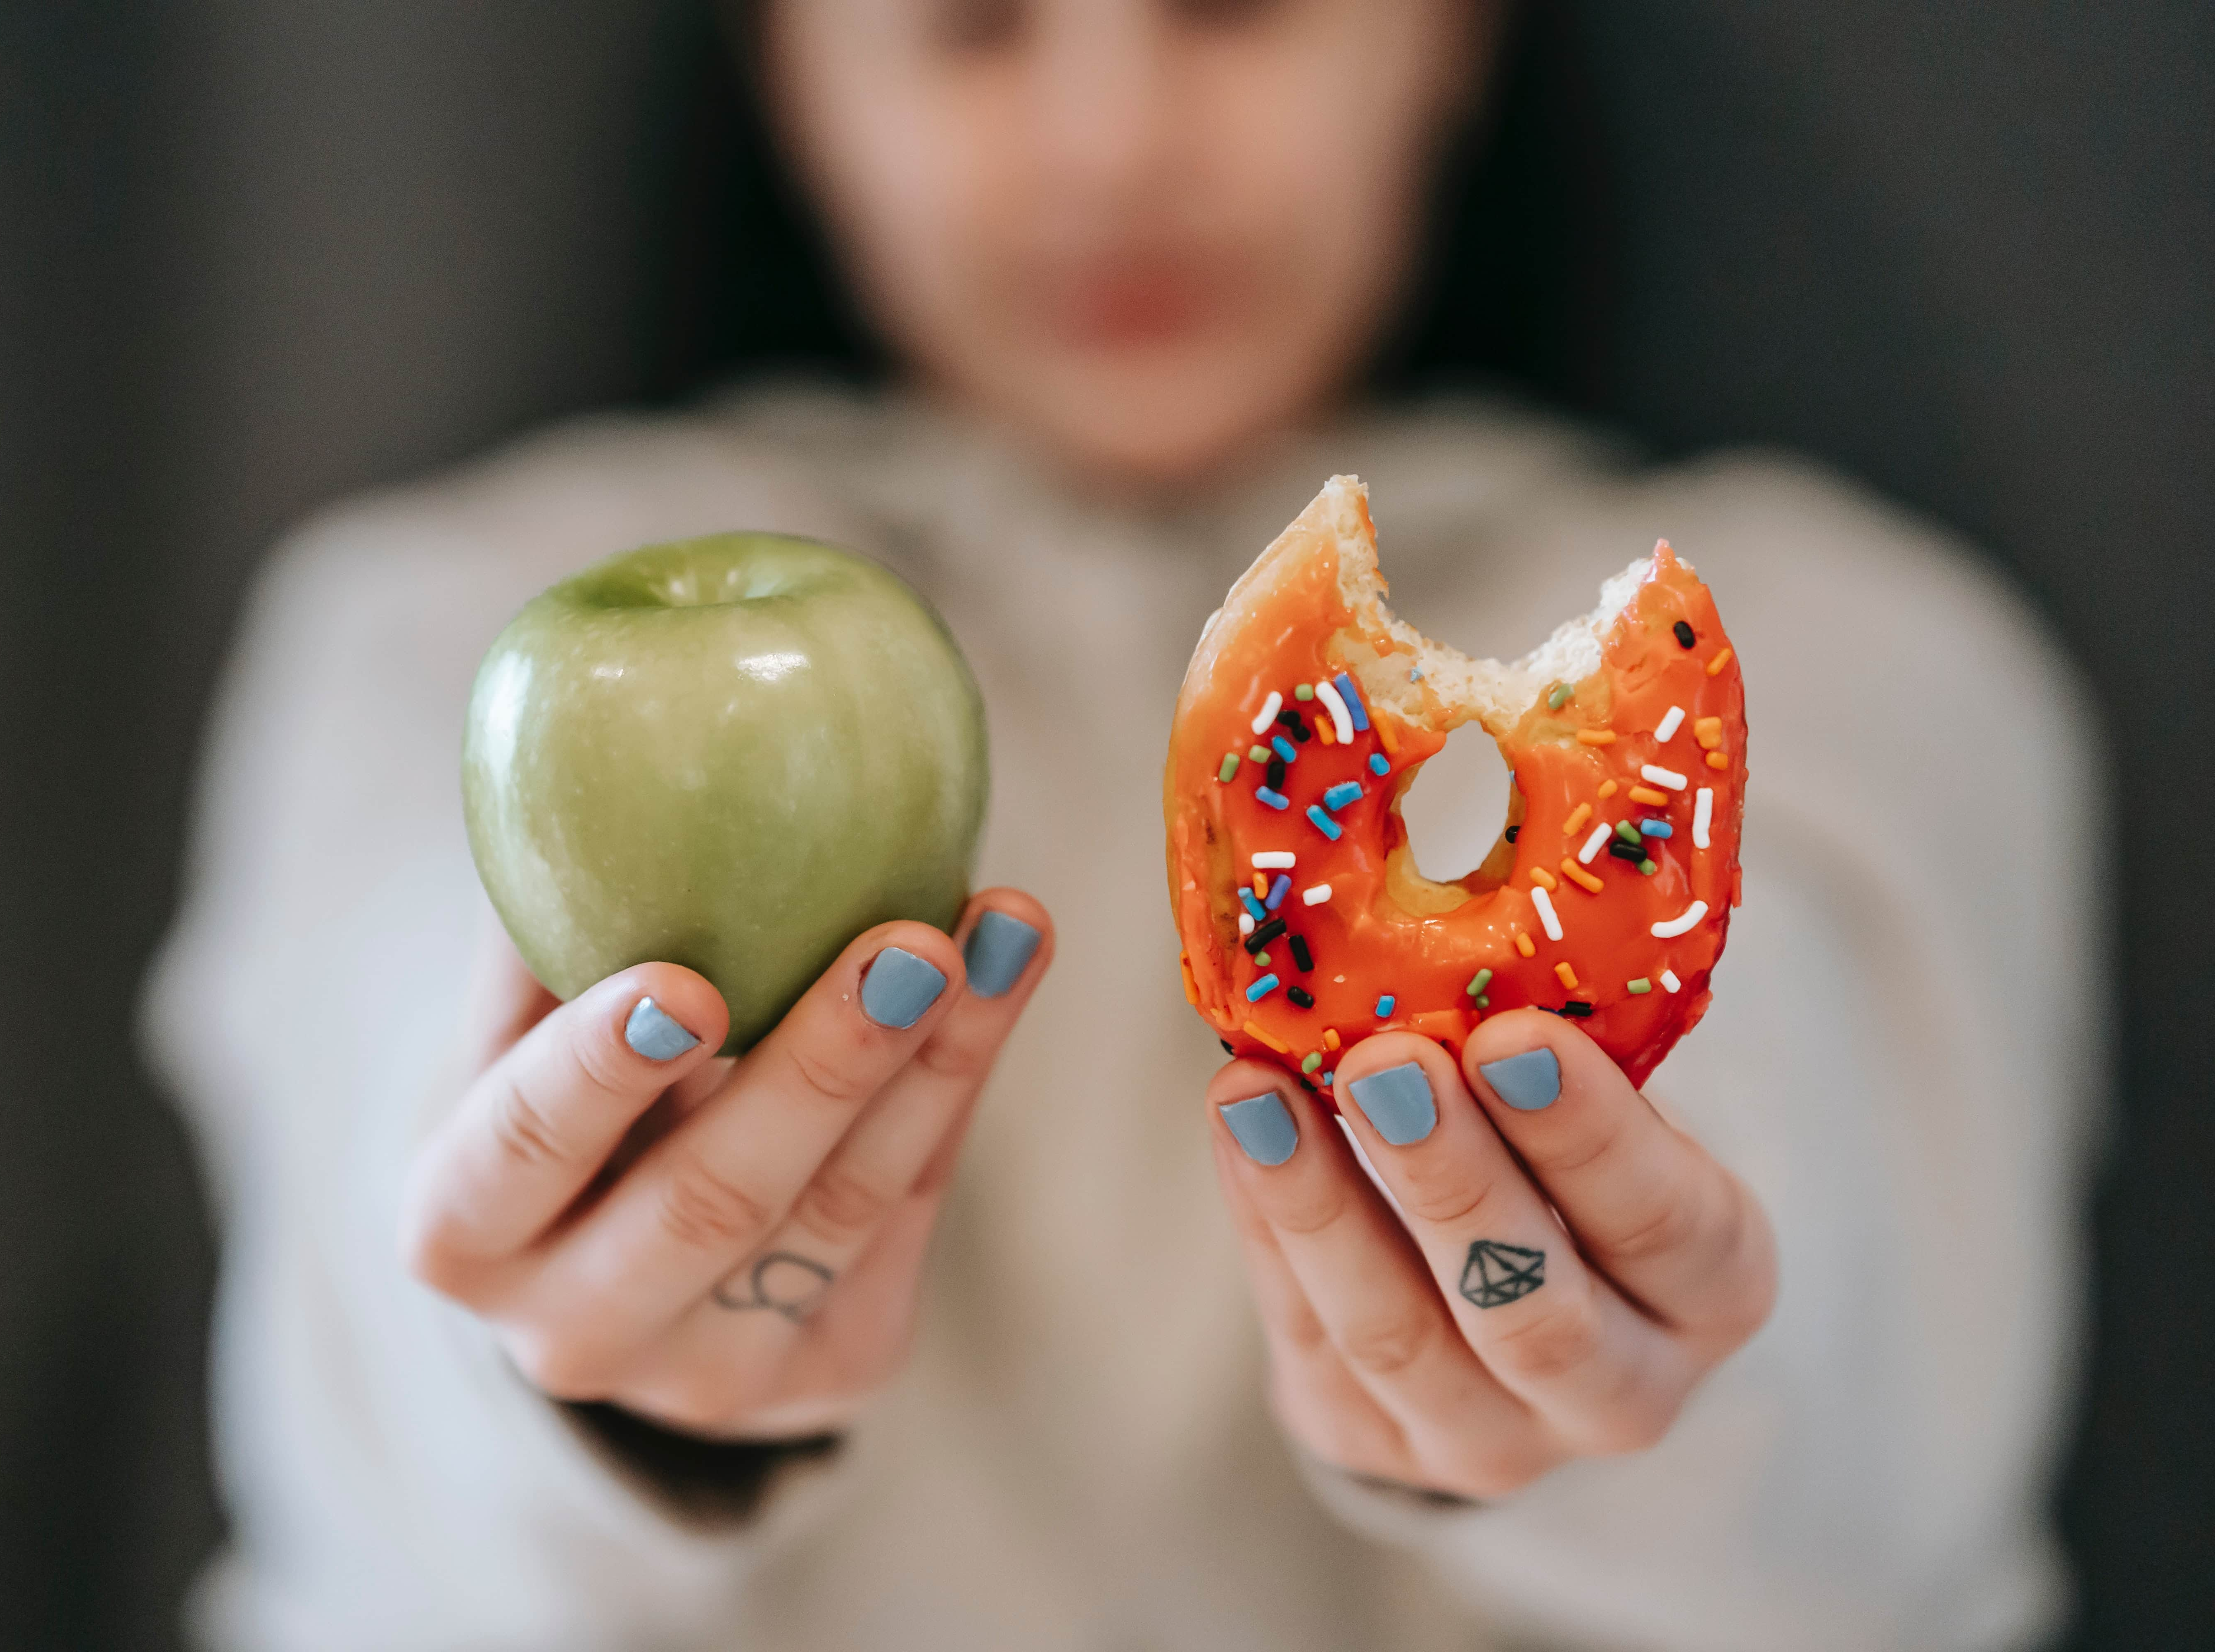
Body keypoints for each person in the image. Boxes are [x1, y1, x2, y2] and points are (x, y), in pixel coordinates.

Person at [145, 2, 2101, 1647]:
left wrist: (1648, 1361)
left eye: (1234, 1)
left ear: (1453, 32)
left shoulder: (1858, 649)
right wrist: (577, 1376)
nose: (1111, 140)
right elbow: (360, 1362)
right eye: (969, 21)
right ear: (787, 61)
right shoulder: (425, 628)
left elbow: (1865, 1358)